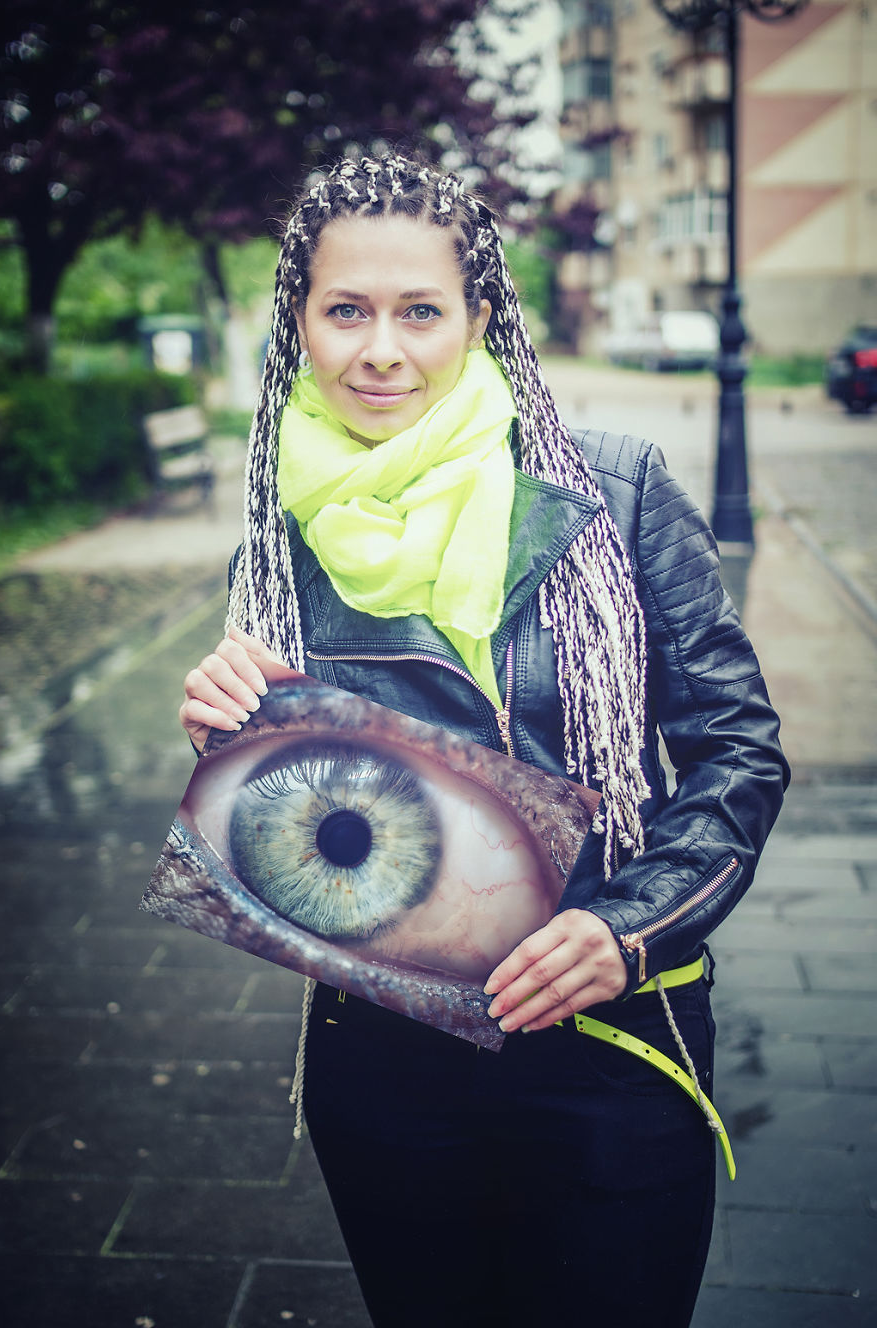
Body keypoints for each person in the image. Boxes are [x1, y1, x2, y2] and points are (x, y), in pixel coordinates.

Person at [180, 152, 789, 1328]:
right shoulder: (277, 536)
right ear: (296, 321)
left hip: (613, 1039)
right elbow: (301, 835)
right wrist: (225, 741)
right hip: (386, 1066)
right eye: (345, 310)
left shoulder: (612, 493)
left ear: (480, 318)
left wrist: (629, 924)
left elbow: (737, 751)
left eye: (420, 311)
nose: (381, 351)